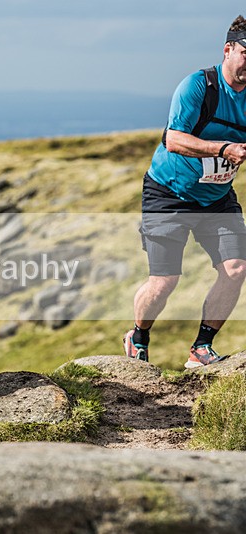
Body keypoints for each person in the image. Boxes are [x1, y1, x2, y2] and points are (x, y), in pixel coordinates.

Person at [124, 15, 246, 369]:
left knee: (237, 268)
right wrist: (223, 149)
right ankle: (139, 336)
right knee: (164, 281)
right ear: (228, 49)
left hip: (217, 198)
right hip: (168, 193)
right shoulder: (198, 86)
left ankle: (201, 348)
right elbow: (173, 139)